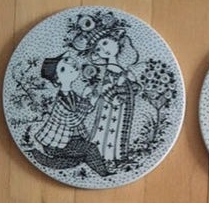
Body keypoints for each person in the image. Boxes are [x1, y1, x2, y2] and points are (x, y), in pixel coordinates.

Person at [31, 52, 112, 176]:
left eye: (67, 60)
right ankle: (104, 174)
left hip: (72, 139)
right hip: (56, 144)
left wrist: (89, 98)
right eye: (63, 69)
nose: (70, 65)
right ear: (57, 80)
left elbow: (84, 108)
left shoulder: (72, 94)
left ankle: (43, 159)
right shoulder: (60, 101)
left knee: (77, 160)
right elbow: (72, 120)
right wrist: (90, 101)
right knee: (90, 149)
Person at [89, 33, 139, 163]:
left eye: (105, 43)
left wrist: (132, 83)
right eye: (98, 49)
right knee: (109, 128)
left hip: (124, 106)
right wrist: (118, 91)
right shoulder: (108, 70)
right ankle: (106, 157)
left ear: (116, 41)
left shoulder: (121, 69)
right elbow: (105, 88)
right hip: (110, 107)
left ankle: (119, 156)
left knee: (120, 128)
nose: (103, 49)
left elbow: (135, 88)